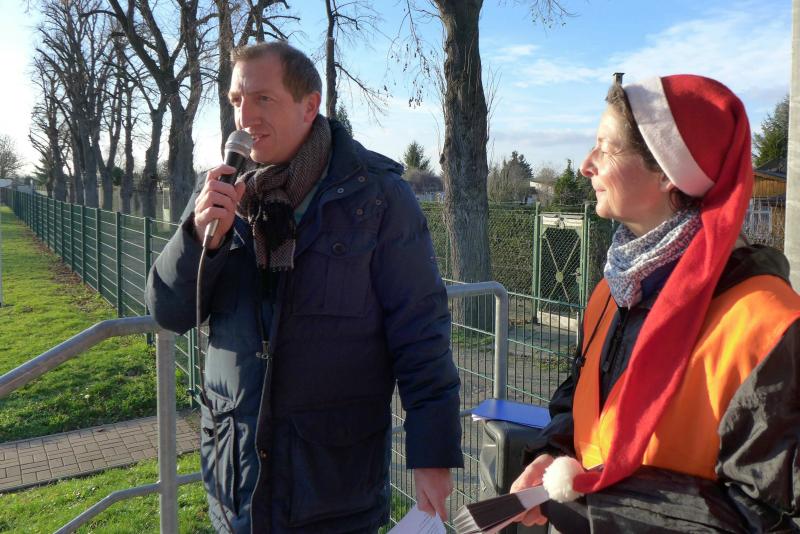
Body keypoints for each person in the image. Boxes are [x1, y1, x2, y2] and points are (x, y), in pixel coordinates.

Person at [146, 41, 463, 533]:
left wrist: (433, 453)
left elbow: (420, 331)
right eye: (236, 100)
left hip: (333, 487)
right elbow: (168, 310)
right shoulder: (221, 191)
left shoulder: (377, 197)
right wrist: (198, 239)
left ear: (309, 105)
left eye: (263, 99)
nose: (244, 117)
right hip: (237, 484)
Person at [510, 74, 800, 532]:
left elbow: (764, 515)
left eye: (605, 147)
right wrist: (553, 453)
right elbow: (580, 403)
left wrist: (591, 501)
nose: (586, 164)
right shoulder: (611, 292)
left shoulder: (768, 325)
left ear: (667, 172)